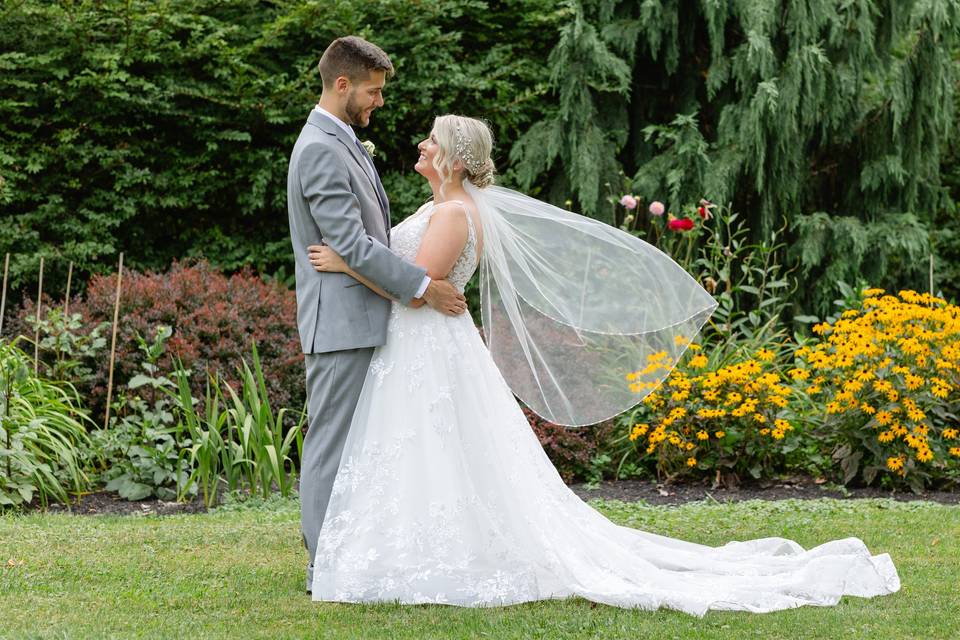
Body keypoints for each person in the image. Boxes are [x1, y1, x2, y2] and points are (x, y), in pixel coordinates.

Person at [303, 114, 900, 615]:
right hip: (419, 348)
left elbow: (421, 286)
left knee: (437, 447)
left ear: (455, 159)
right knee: (426, 450)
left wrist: (345, 262)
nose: (422, 145)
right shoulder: (445, 207)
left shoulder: (456, 214)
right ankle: (406, 543)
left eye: (432, 140)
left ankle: (433, 550)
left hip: (431, 346)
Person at [286, 36, 468, 595]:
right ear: (342, 85)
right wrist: (423, 287)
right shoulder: (319, 148)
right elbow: (352, 245)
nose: (379, 101)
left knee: (354, 448)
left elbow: (361, 243)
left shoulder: (341, 142)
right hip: (340, 324)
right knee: (331, 447)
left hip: (362, 317)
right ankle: (324, 568)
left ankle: (349, 557)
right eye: (373, 90)